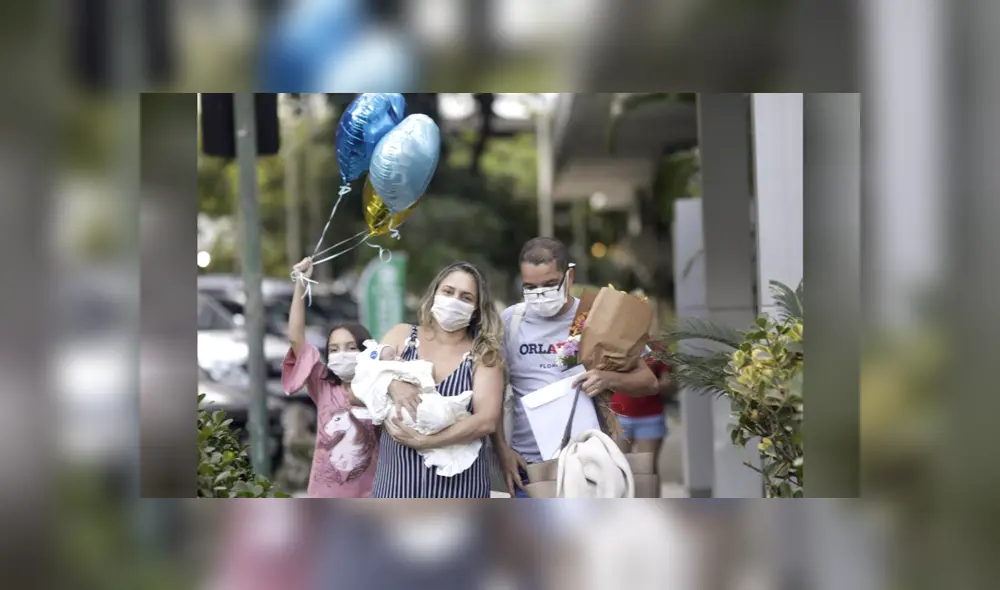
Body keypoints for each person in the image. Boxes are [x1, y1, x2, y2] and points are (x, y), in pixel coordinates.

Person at [495, 237, 660, 498]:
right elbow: (490, 390)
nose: (540, 294)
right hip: (529, 466)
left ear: (569, 277)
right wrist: (503, 450)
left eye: (549, 284)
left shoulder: (597, 316)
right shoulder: (510, 321)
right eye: (531, 287)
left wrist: (607, 378)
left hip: (590, 464)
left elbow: (649, 382)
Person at [370, 261, 505, 498]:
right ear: (434, 294)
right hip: (396, 484)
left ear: (476, 309)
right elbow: (358, 386)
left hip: (461, 489)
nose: (454, 301)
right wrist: (391, 384)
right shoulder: (402, 336)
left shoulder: (484, 356)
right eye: (448, 291)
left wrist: (426, 441)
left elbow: (486, 421)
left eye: (465, 297)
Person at [282, 257, 379, 498]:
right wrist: (300, 285)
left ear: (366, 351)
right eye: (334, 349)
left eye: (350, 347)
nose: (341, 354)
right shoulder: (323, 384)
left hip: (371, 493)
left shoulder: (381, 387)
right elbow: (296, 338)